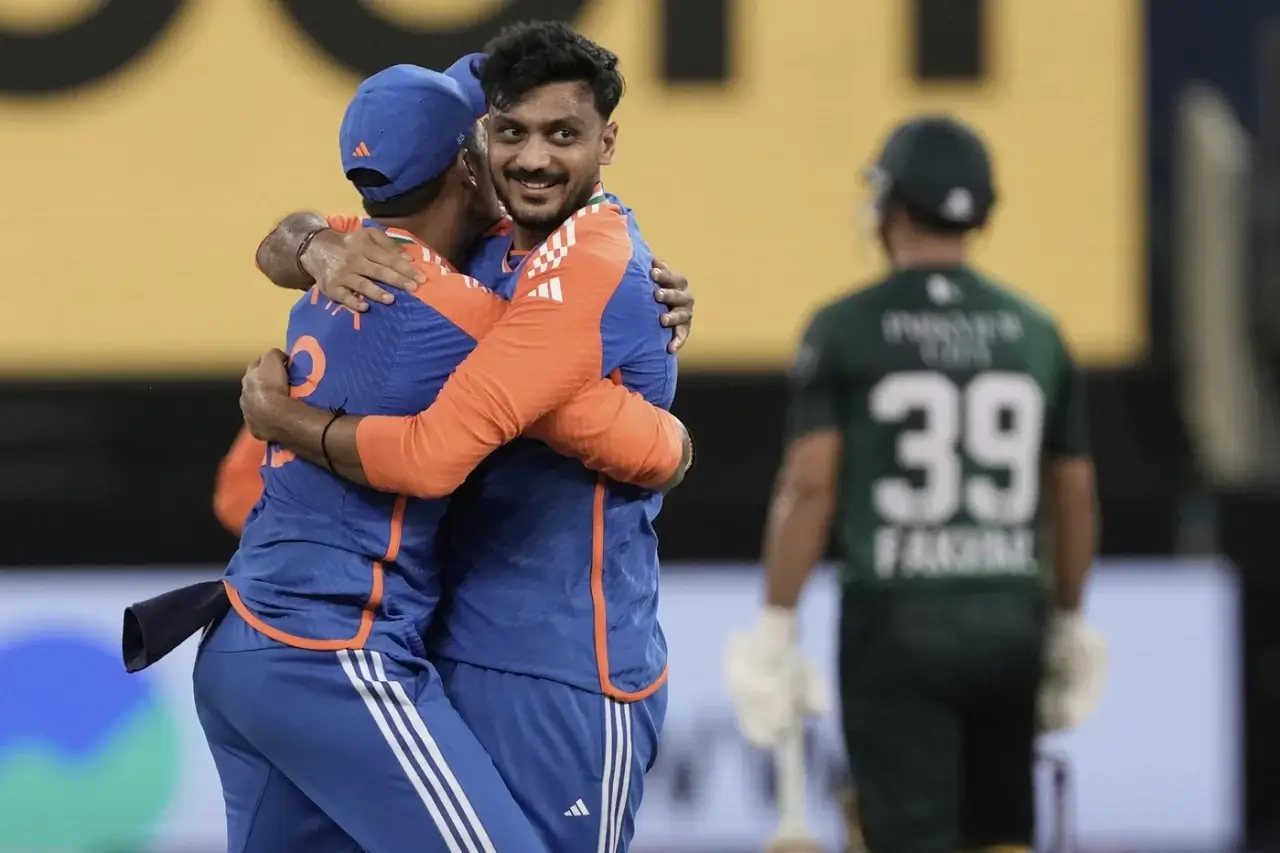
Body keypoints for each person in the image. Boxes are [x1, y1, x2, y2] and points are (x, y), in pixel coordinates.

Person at [196, 63, 690, 853]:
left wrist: (312, 246)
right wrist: (673, 440)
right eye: (500, 132)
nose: (521, 155)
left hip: (240, 635)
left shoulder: (352, 256)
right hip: (333, 647)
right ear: (469, 160)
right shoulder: (460, 309)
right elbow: (637, 442)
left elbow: (279, 242)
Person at [723, 115, 1107, 853]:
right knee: (1002, 834)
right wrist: (1067, 618)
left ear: (891, 206)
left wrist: (777, 619)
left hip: (897, 621)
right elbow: (1074, 494)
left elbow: (810, 487)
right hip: (1009, 613)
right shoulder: (1036, 330)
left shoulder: (845, 327)